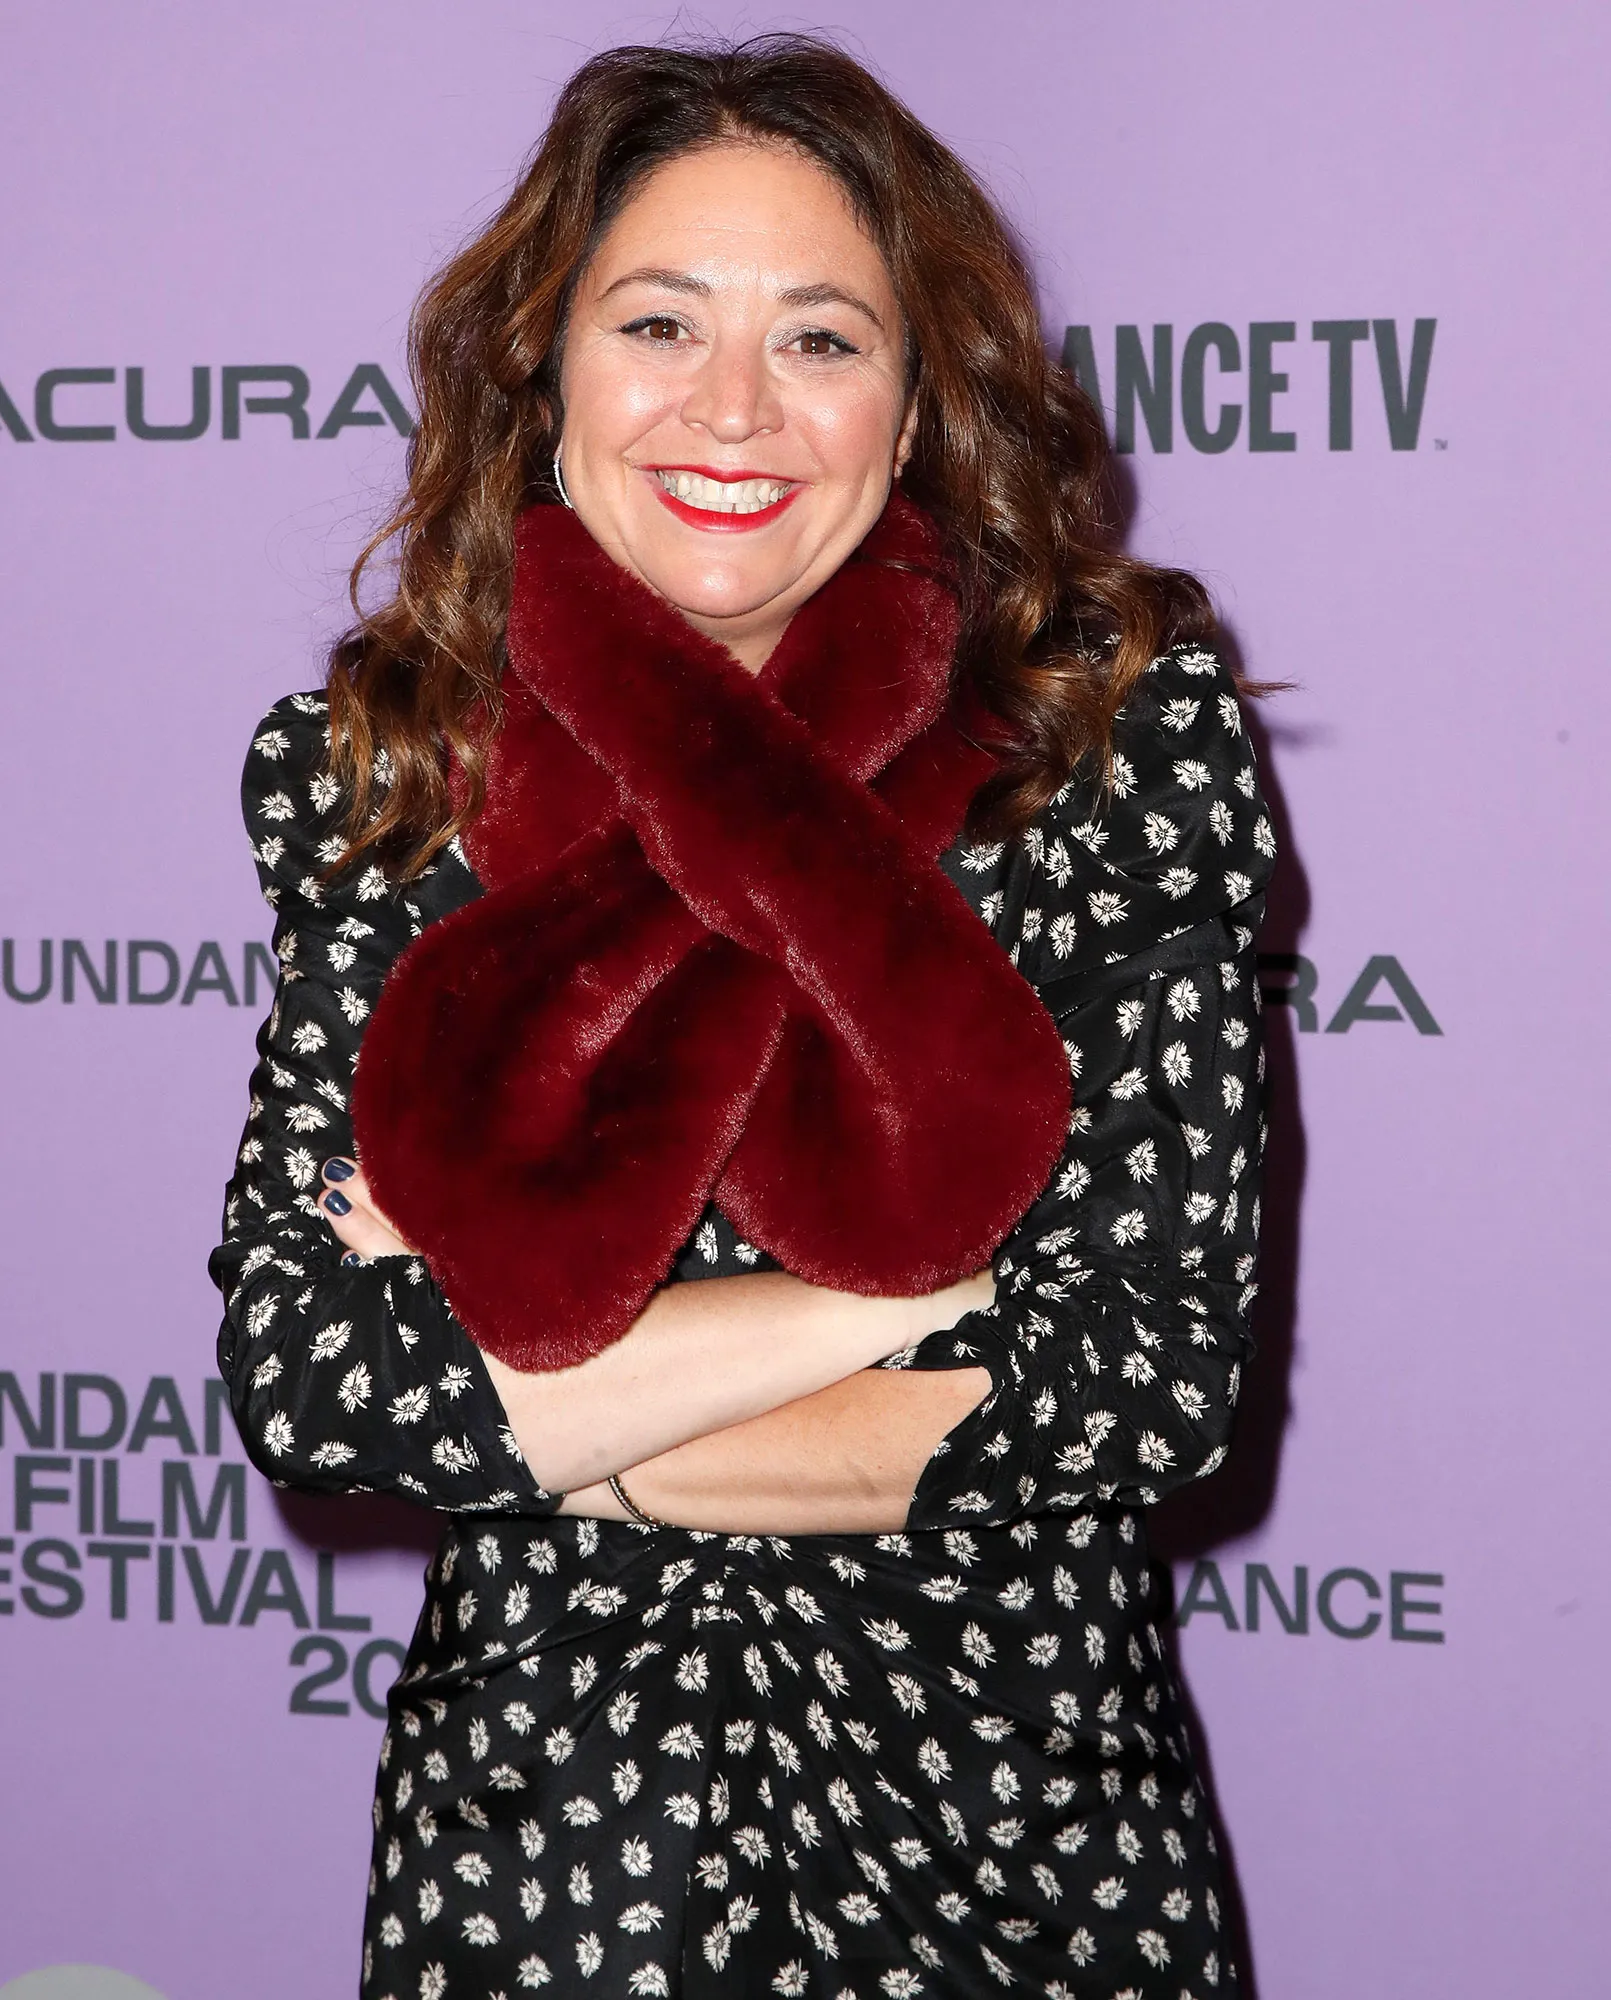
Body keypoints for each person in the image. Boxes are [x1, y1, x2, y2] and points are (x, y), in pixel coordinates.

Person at [211, 35, 1275, 2000]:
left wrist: (545, 1419)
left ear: (913, 402)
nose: (730, 407)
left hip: (1016, 1860)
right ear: (542, 374)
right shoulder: (388, 771)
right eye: (657, 323)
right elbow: (316, 1377)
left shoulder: (1101, 750)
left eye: (818, 338)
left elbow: (1141, 1373)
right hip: (551, 1863)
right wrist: (926, 1297)